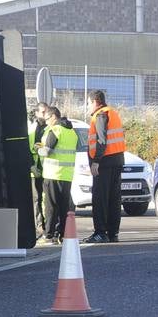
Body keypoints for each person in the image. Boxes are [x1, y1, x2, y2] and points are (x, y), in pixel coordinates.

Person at [85, 89, 125, 243]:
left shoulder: (100, 115)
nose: (88, 106)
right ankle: (112, 232)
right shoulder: (112, 113)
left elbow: (102, 140)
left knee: (100, 198)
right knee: (114, 199)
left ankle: (101, 232)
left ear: (95, 101)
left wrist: (96, 161)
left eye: (89, 103)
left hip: (105, 162)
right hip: (117, 159)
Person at [35, 107, 76, 245]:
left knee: (51, 206)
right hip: (67, 175)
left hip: (53, 174)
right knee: (64, 206)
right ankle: (63, 235)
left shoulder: (56, 130)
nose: (46, 122)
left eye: (47, 119)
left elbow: (47, 151)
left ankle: (49, 235)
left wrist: (38, 149)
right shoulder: (71, 131)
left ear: (54, 117)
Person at [29, 103, 50, 239]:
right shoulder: (31, 128)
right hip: (35, 169)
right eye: (42, 112)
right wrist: (31, 166)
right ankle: (39, 227)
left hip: (48, 169)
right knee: (36, 200)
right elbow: (26, 148)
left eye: (46, 112)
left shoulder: (50, 127)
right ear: (36, 113)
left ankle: (48, 227)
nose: (44, 114)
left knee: (47, 200)